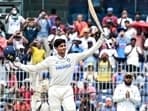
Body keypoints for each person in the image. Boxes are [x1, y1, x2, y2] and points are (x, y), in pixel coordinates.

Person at [14, 33, 105, 111]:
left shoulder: (72, 57)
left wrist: (100, 41)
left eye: (64, 45)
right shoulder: (51, 60)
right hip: (54, 89)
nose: (64, 47)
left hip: (67, 89)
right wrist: (20, 65)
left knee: (71, 109)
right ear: (56, 48)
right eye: (61, 46)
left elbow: (88, 52)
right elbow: (34, 68)